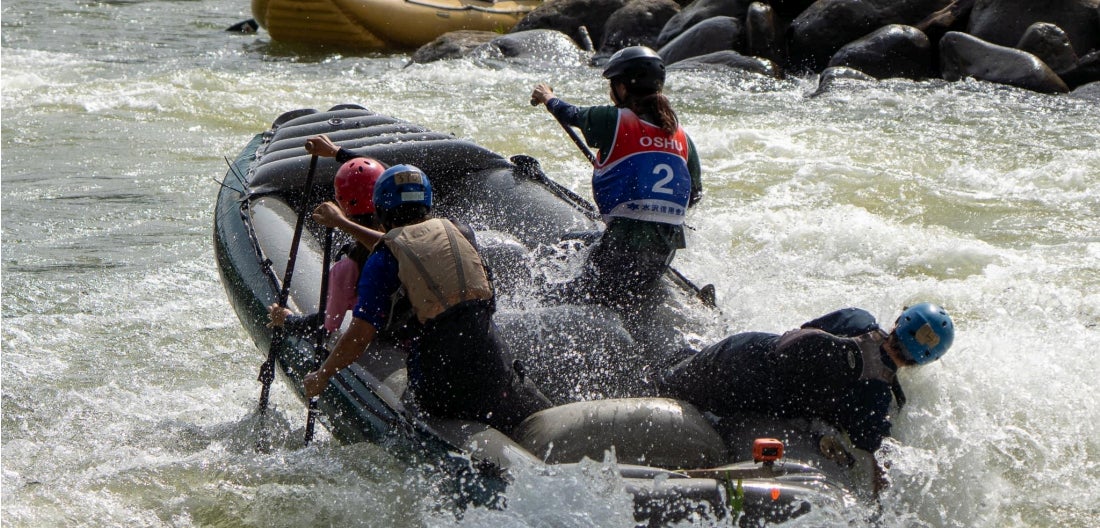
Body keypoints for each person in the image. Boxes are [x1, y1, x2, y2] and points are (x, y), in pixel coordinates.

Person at [303, 164, 552, 431]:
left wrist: (323, 374)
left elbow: (360, 334)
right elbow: (415, 245)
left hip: (442, 387)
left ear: (381, 210)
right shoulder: (462, 231)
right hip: (496, 370)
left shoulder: (382, 260)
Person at [656, 303, 956, 493]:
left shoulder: (858, 318)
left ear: (899, 320)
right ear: (924, 361)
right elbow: (872, 453)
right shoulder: (876, 399)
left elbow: (804, 332)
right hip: (745, 396)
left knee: (664, 383)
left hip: (744, 349)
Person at [530, 45, 703, 304]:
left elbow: (570, 114)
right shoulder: (682, 136)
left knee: (571, 297)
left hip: (622, 243)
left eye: (613, 84)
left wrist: (547, 97)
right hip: (664, 250)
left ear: (622, 88)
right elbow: (695, 193)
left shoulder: (615, 120)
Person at [267, 141, 387, 339]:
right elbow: (385, 173)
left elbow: (326, 325)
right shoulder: (414, 234)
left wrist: (287, 319)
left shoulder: (347, 270)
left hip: (383, 337)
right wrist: (337, 152)